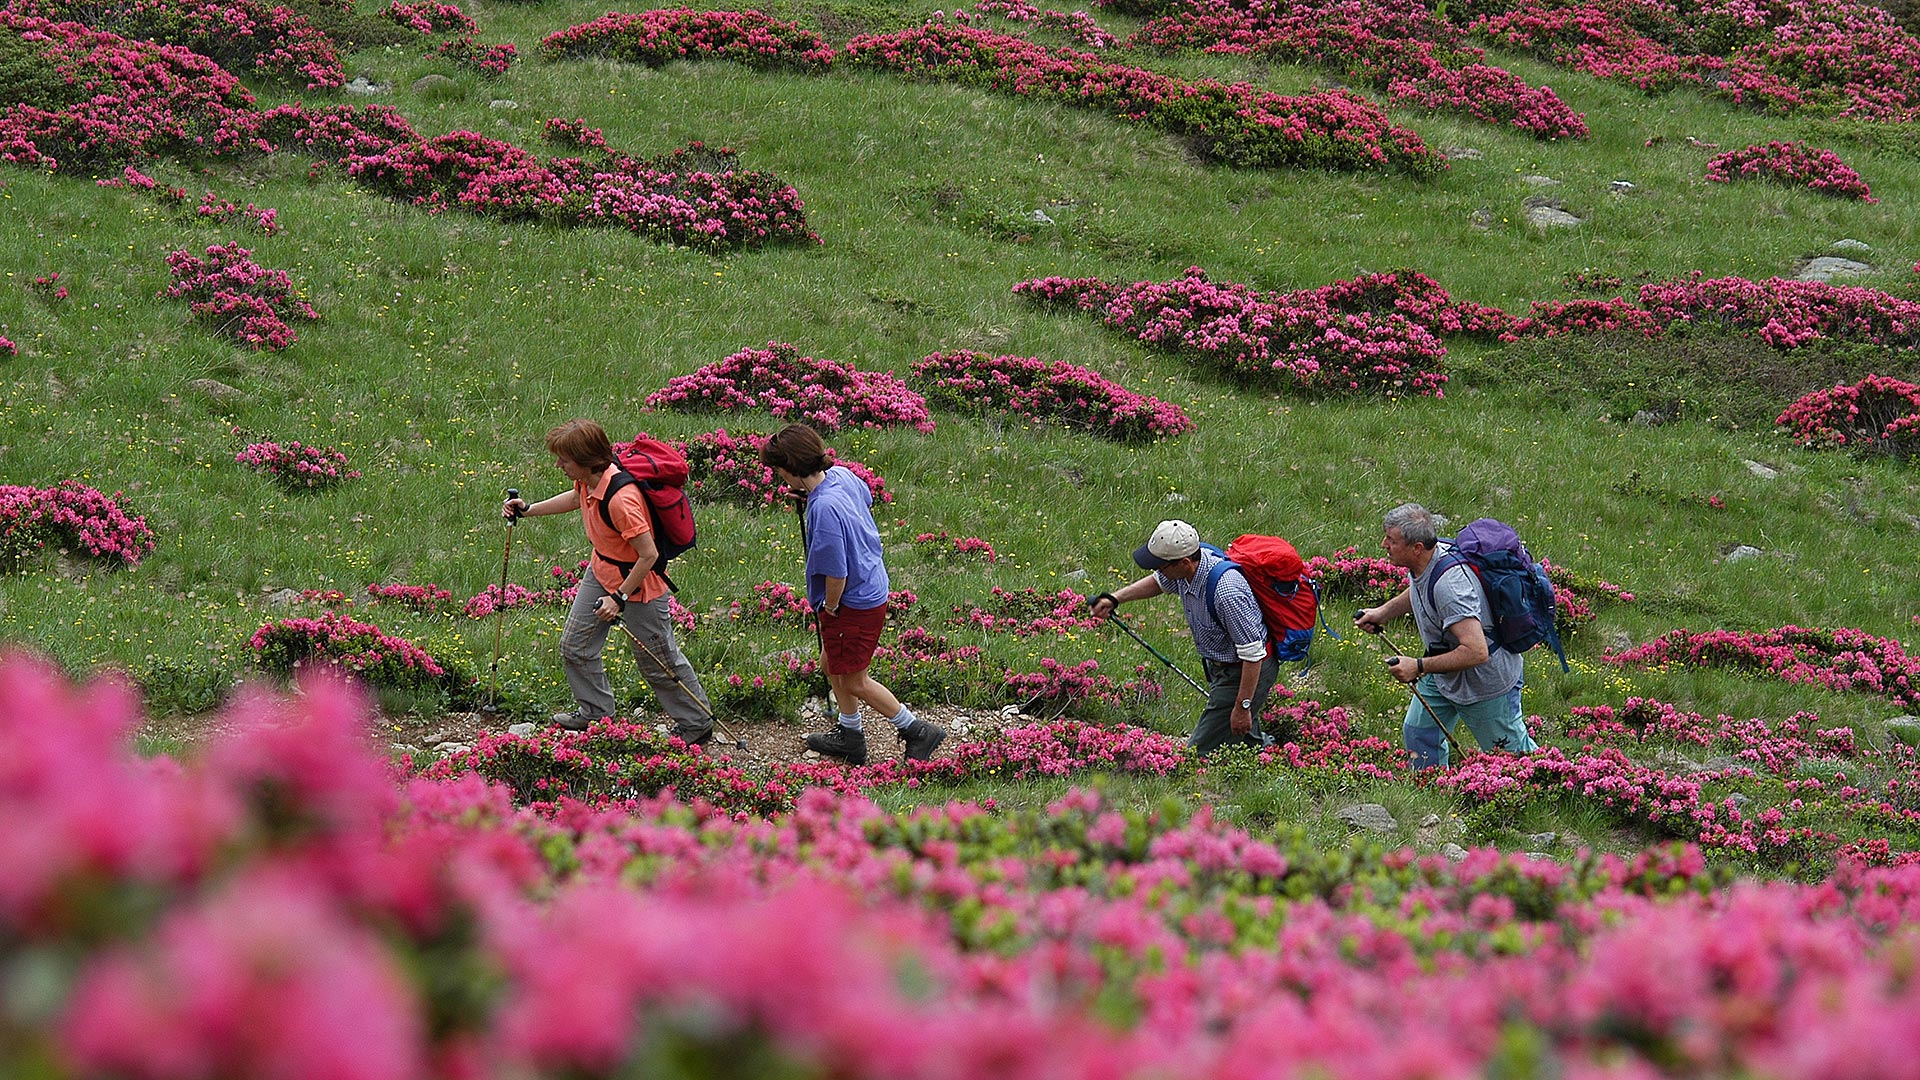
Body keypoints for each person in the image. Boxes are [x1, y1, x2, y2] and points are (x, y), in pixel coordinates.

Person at [502, 419, 713, 743]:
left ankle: (697, 724)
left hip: (638, 584)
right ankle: (595, 713)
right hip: (601, 569)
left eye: (564, 460)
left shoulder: (621, 500)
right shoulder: (589, 480)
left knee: (658, 661)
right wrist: (528, 510)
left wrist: (619, 598)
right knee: (575, 645)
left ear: (585, 461)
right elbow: (575, 500)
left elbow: (649, 555)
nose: (558, 464)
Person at [758, 423, 945, 765]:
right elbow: (866, 496)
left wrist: (830, 606)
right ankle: (850, 734)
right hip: (873, 586)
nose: (779, 476)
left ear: (792, 468)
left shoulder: (823, 509)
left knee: (855, 679)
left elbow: (836, 573)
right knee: (832, 662)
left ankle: (917, 730)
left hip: (851, 603)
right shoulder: (841, 476)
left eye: (780, 469)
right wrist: (810, 494)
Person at [1354, 503, 1539, 770]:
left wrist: (1417, 666)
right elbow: (1420, 589)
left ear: (1416, 547)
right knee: (1419, 732)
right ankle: (1432, 794)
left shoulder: (1452, 587)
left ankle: (1551, 791)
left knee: (1513, 759)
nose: (1384, 544)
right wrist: (1382, 613)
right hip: (1444, 675)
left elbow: (1476, 651)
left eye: (1392, 540)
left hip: (1486, 683)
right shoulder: (1430, 559)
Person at [1088, 520, 1278, 756]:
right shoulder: (1187, 568)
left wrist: (1242, 706)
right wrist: (1115, 598)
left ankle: (1267, 765)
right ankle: (1271, 756)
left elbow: (1253, 653)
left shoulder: (1227, 592)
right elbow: (1159, 583)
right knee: (1240, 734)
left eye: (1161, 566)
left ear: (1184, 562)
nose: (1156, 571)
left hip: (1246, 671)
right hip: (1223, 667)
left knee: (1197, 753)